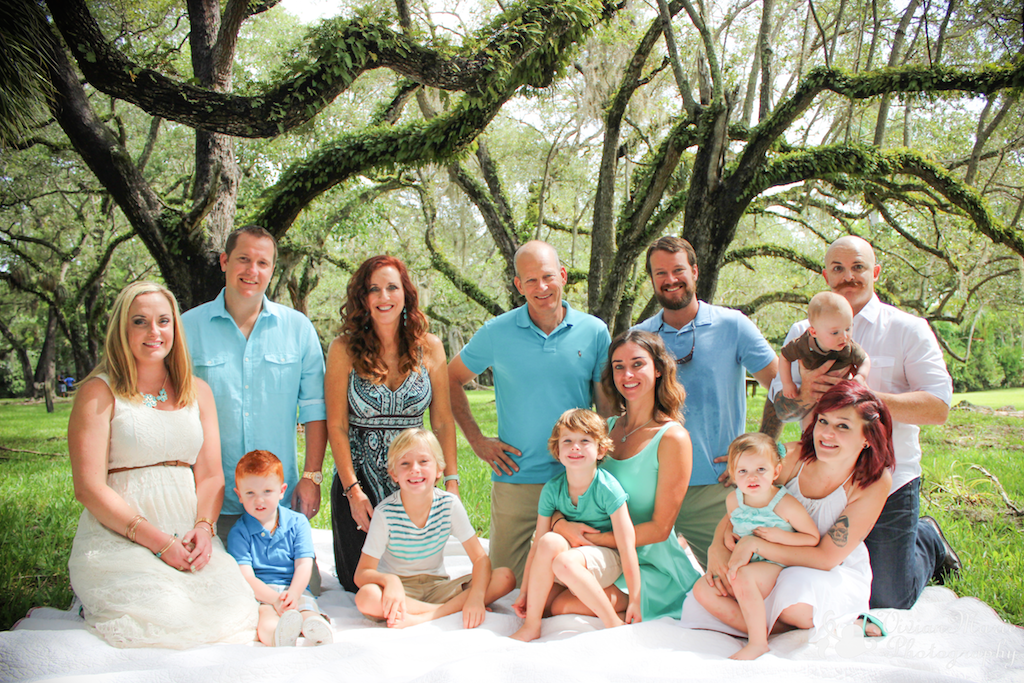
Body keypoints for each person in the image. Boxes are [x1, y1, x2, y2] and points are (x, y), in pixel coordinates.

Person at [770, 235, 958, 609]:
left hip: (887, 479)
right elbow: (781, 409)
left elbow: (938, 407)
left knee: (889, 599)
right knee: (801, 581)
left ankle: (928, 538)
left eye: (858, 267)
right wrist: (805, 392)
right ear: (826, 275)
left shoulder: (907, 328)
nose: (848, 276)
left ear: (875, 272)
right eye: (838, 268)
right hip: (819, 480)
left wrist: (865, 398)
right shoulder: (802, 333)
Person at [67, 281, 257, 648]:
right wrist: (158, 543)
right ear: (122, 330)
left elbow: (211, 475)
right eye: (140, 322)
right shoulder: (99, 392)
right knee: (164, 614)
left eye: (163, 321)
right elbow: (88, 487)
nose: (154, 332)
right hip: (121, 537)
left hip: (187, 534)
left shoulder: (197, 391)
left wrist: (204, 529)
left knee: (234, 608)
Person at [448, 240, 612, 583]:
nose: (542, 287)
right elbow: (450, 379)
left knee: (572, 577)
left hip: (577, 478)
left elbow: (607, 406)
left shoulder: (594, 331)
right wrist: (477, 441)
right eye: (531, 280)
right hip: (517, 477)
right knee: (504, 581)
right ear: (518, 285)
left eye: (548, 276)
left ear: (563, 276)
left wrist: (608, 464)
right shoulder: (495, 333)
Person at [682, 381, 894, 641]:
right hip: (764, 565)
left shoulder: (872, 481)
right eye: (823, 421)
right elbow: (744, 502)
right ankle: (773, 626)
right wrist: (717, 545)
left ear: (868, 437)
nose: (827, 434)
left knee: (795, 599)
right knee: (704, 595)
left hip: (826, 570)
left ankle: (783, 621)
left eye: (843, 426)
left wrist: (756, 545)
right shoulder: (793, 456)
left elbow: (826, 558)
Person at [181, 225, 328, 594]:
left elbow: (315, 409)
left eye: (263, 263)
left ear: (273, 269)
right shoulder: (187, 328)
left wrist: (311, 477)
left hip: (276, 503)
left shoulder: (298, 329)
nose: (252, 270)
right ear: (224, 261)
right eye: (243, 259)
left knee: (305, 589)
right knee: (219, 594)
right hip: (210, 503)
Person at [634, 236, 778, 569]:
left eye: (678, 270)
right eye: (660, 273)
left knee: (734, 579)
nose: (670, 279)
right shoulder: (640, 337)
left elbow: (779, 387)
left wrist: (761, 447)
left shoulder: (733, 325)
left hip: (716, 487)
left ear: (695, 272)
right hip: (653, 488)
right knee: (644, 585)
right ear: (651, 279)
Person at [325, 255, 458, 593]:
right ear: (363, 298)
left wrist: (452, 481)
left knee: (416, 581)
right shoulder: (343, 349)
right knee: (361, 586)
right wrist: (352, 492)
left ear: (405, 294)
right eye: (374, 289)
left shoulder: (430, 348)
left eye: (391, 288)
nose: (383, 297)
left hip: (415, 481)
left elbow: (443, 421)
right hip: (360, 487)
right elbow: (336, 425)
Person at [549, 330, 701, 620]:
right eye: (619, 366)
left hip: (650, 563)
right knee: (542, 598)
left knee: (563, 606)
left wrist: (593, 539)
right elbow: (564, 491)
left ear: (658, 369)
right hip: (601, 556)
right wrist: (561, 525)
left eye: (637, 364)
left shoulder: (673, 438)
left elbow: (660, 528)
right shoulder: (603, 429)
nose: (627, 375)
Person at [353, 429, 515, 628]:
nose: (415, 469)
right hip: (401, 591)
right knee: (366, 597)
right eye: (405, 464)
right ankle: (447, 610)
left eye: (423, 461)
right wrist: (389, 581)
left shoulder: (449, 504)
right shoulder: (384, 514)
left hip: (439, 587)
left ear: (439, 470)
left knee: (505, 577)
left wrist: (477, 596)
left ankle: (422, 616)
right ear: (394, 474)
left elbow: (480, 559)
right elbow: (362, 573)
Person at [511, 409, 641, 641]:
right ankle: (532, 625)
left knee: (564, 562)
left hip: (606, 558)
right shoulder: (552, 489)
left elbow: (626, 545)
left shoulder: (608, 489)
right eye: (567, 441)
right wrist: (524, 591)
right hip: (571, 558)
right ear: (557, 450)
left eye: (585, 441)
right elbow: (537, 546)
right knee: (549, 542)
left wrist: (635, 599)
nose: (575, 447)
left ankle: (613, 622)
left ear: (601, 450)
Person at [692, 433, 819, 659]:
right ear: (732, 474)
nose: (752, 477)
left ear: (776, 472)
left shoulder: (784, 504)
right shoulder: (734, 500)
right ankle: (769, 628)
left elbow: (811, 537)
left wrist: (780, 535)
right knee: (703, 588)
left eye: (761, 469)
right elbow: (733, 522)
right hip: (748, 564)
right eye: (743, 471)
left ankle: (758, 643)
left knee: (743, 576)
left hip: (777, 564)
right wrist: (728, 533)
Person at [228, 450, 332, 647]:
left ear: (282, 490)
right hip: (262, 593)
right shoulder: (239, 532)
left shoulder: (298, 523)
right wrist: (275, 599)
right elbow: (247, 577)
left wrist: (293, 594)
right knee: (265, 616)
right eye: (250, 493)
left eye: (267, 491)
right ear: (239, 495)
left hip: (295, 588)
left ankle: (316, 629)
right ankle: (278, 636)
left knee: (307, 609)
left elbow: (304, 564)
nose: (259, 500)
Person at [779, 291, 870, 400]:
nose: (844, 336)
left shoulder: (849, 347)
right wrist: (787, 383)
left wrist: (860, 376)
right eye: (835, 332)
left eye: (848, 328)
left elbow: (865, 359)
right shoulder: (803, 344)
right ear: (814, 332)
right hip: (813, 396)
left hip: (842, 394)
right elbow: (784, 357)